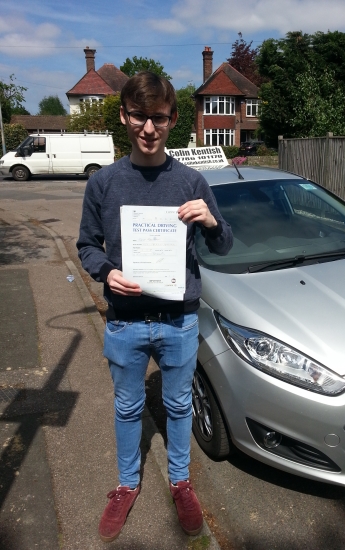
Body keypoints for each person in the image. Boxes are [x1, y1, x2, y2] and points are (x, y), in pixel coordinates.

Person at [77, 71, 233, 543]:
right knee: (127, 409)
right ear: (124, 117)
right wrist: (107, 272)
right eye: (139, 117)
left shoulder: (191, 181)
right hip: (125, 322)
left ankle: (181, 482)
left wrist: (209, 220)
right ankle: (127, 485)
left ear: (173, 120)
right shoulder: (104, 183)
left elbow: (223, 245)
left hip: (178, 321)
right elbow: (87, 245)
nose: (148, 128)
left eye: (158, 118)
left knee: (178, 404)